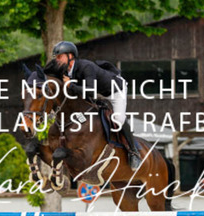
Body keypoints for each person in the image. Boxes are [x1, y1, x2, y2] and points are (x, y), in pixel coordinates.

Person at [51, 41, 141, 170]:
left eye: (60, 56)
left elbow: (91, 91)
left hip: (114, 91)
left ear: (70, 56)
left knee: (118, 119)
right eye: (56, 57)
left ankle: (134, 152)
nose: (57, 60)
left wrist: (71, 85)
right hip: (95, 93)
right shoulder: (64, 71)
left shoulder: (86, 66)